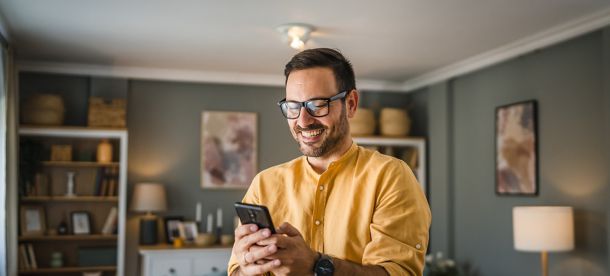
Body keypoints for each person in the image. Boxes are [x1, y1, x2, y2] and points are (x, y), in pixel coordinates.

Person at [228, 48, 431, 276]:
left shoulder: (391, 176)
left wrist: (317, 266)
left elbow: (398, 273)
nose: (303, 121)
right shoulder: (264, 184)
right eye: (293, 107)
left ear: (351, 103)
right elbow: (237, 270)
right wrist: (246, 269)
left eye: (317, 104)